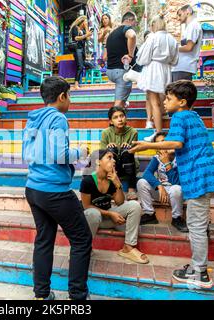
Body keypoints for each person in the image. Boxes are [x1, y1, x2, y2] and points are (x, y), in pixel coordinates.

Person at [129, 80, 214, 289]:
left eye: (169, 98)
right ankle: (197, 267)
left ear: (182, 102)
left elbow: (176, 143)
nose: (164, 102)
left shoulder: (180, 116)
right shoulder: (193, 116)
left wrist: (147, 144)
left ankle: (200, 273)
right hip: (206, 174)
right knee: (196, 224)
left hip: (201, 176)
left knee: (196, 227)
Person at [22, 76, 91, 300]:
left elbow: (27, 154)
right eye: (69, 96)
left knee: (44, 239)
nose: (69, 101)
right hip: (54, 191)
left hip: (33, 188)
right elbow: (60, 155)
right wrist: (80, 152)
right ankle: (78, 297)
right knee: (82, 239)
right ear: (62, 96)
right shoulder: (58, 118)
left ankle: (41, 295)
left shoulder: (33, 118)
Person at [81, 149, 148, 264]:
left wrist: (117, 184)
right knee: (93, 213)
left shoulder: (111, 179)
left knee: (134, 205)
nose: (114, 161)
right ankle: (85, 248)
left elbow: (120, 202)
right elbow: (87, 206)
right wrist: (111, 214)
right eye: (109, 158)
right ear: (98, 161)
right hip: (92, 220)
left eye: (113, 158)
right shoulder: (88, 180)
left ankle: (128, 247)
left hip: (107, 219)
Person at [137, 15, 179, 142]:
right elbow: (175, 60)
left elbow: (143, 58)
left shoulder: (153, 38)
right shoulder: (172, 39)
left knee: (154, 103)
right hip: (166, 70)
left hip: (153, 69)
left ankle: (159, 133)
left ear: (154, 25)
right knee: (164, 101)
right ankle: (164, 131)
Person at [137, 132, 188, 232]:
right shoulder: (157, 158)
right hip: (161, 193)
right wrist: (159, 186)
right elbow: (147, 174)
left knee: (176, 189)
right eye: (159, 144)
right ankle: (149, 214)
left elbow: (176, 182)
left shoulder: (180, 158)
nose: (162, 146)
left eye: (164, 142)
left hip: (176, 194)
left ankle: (176, 218)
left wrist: (167, 163)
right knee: (141, 182)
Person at [99, 106, 139, 200]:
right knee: (111, 151)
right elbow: (101, 154)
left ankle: (131, 189)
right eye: (115, 117)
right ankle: (111, 188)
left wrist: (129, 148)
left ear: (125, 118)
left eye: (122, 116)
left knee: (127, 151)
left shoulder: (133, 132)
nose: (120, 119)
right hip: (113, 167)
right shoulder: (106, 133)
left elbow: (133, 152)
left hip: (128, 167)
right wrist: (108, 150)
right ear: (111, 121)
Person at [105, 11, 138, 107]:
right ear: (129, 20)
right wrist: (130, 55)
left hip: (111, 71)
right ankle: (113, 120)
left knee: (122, 102)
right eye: (135, 22)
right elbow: (132, 35)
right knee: (118, 105)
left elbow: (104, 56)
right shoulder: (126, 29)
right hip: (121, 71)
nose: (135, 25)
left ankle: (123, 107)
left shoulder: (112, 34)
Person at [172, 5, 203, 82]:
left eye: (180, 15)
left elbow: (189, 47)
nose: (178, 18)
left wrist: (173, 48)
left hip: (184, 67)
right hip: (181, 66)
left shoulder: (193, 25)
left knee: (179, 93)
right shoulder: (189, 26)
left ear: (188, 11)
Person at [69, 16, 93, 90]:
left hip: (82, 50)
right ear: (81, 22)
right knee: (80, 66)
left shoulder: (84, 30)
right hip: (77, 49)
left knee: (89, 65)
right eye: (85, 22)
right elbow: (76, 38)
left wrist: (86, 28)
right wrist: (86, 35)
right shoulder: (75, 28)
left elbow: (88, 38)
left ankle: (83, 81)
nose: (86, 23)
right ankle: (76, 84)